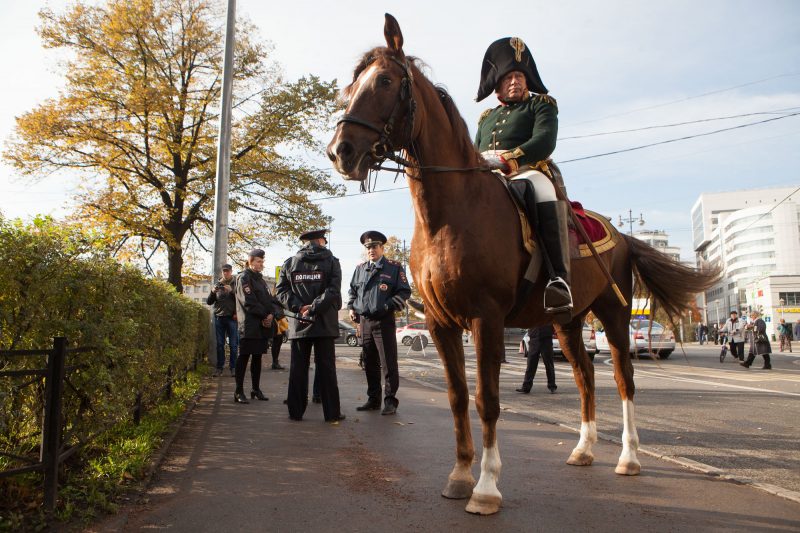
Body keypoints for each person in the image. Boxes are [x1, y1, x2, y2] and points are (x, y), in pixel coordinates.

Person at [474, 36, 571, 316]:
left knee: (542, 190)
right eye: (508, 78)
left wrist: (508, 159)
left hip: (528, 169)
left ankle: (558, 279)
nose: (515, 81)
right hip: (486, 173)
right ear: (497, 86)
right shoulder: (486, 117)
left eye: (519, 76)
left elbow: (544, 141)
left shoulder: (541, 105)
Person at [276, 229, 345, 423]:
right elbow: (333, 290)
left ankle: (295, 411)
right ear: (320, 241)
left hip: (300, 323)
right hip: (324, 323)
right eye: (324, 240)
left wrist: (300, 308)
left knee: (298, 368)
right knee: (327, 370)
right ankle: (332, 413)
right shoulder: (332, 261)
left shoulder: (290, 263)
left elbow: (281, 291)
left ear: (305, 243)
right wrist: (314, 308)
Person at [348, 231, 411, 416]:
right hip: (365, 321)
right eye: (368, 247)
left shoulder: (393, 267)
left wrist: (387, 305)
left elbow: (404, 292)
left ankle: (390, 400)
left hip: (384, 321)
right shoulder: (360, 268)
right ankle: (373, 399)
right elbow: (352, 291)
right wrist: (351, 308)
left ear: (382, 247)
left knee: (388, 363)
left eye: (374, 246)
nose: (371, 250)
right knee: (369, 362)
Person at [233, 249, 283, 404]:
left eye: (262, 261)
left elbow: (270, 301)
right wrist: (264, 315)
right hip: (249, 325)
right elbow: (249, 302)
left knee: (257, 357)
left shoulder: (260, 280)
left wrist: (272, 314)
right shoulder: (244, 278)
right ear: (250, 261)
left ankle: (255, 389)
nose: (261, 264)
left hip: (262, 326)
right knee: (244, 357)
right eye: (258, 261)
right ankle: (238, 391)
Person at [206, 264, 238, 377]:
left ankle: (233, 368)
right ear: (222, 272)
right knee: (220, 344)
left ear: (231, 271)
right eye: (224, 271)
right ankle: (219, 368)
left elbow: (242, 300)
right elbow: (209, 302)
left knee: (233, 345)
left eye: (228, 271)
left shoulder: (236, 283)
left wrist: (232, 291)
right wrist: (212, 292)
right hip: (219, 317)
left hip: (232, 318)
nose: (226, 273)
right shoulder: (218, 284)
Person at [516, 325, 557, 394]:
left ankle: (552, 386)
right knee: (531, 364)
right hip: (534, 338)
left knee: (549, 364)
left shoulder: (548, 314)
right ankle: (526, 387)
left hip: (546, 338)